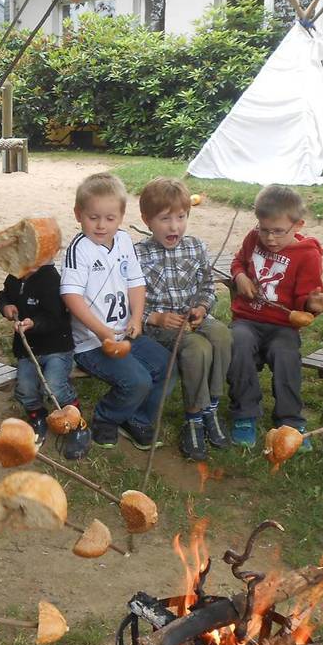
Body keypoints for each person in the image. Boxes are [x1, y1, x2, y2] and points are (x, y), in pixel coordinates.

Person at [61, 172, 172, 450]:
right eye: (93, 217)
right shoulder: (79, 250)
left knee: (167, 366)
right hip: (91, 342)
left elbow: (135, 282)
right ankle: (106, 418)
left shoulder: (123, 241)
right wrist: (101, 332)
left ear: (121, 216)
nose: (101, 225)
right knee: (137, 381)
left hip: (125, 332)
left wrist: (136, 318)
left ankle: (137, 419)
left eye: (110, 218)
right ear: (78, 214)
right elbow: (70, 295)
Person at [227, 184, 323, 448]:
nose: (270, 238)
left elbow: (304, 303)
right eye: (264, 229)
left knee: (286, 354)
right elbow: (239, 261)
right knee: (238, 344)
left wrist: (314, 303)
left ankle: (290, 420)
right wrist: (240, 275)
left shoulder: (308, 255)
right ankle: (245, 414)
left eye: (278, 231)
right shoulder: (253, 238)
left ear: (298, 225)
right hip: (248, 320)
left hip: (281, 326)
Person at [135, 178, 232, 461]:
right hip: (160, 328)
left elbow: (207, 287)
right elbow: (129, 301)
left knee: (222, 335)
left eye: (181, 217)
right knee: (198, 349)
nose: (174, 226)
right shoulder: (138, 254)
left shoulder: (196, 247)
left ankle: (211, 408)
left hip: (194, 318)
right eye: (165, 219)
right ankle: (193, 416)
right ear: (147, 220)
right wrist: (156, 318)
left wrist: (202, 307)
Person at [0, 261, 91, 458]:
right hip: (27, 349)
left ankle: (77, 424)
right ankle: (37, 416)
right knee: (25, 388)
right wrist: (6, 306)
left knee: (55, 386)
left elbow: (56, 317)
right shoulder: (16, 275)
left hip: (56, 347)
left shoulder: (50, 279)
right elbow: (3, 295)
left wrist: (34, 323)